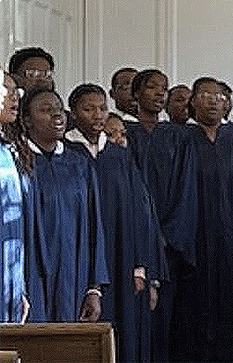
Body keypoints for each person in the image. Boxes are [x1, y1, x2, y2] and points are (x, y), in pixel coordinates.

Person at [65, 84, 161, 362]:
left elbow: (140, 212)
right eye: (88, 108)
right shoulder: (68, 154)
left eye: (103, 108)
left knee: (122, 332)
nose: (98, 115)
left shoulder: (119, 156)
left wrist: (141, 265)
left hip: (121, 256)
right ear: (73, 113)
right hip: (80, 256)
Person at [176, 77, 233, 362]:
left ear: (228, 103)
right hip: (197, 236)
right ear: (193, 101)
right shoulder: (180, 138)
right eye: (204, 95)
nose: (212, 101)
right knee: (198, 306)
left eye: (218, 96)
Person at [20, 88, 108, 322]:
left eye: (59, 110)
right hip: (29, 277)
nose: (57, 116)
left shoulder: (79, 164)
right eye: (46, 110)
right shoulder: (17, 163)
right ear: (27, 119)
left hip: (74, 276)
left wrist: (94, 289)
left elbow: (94, 227)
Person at [0, 72, 31, 323]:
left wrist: (18, 286)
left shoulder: (8, 149)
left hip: (8, 280)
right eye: (5, 89)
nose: (14, 96)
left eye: (16, 90)